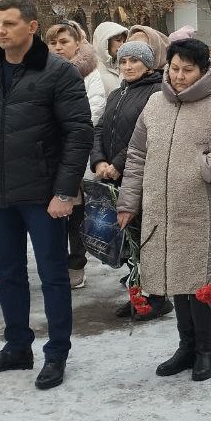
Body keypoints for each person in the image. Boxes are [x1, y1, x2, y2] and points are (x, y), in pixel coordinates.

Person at [0, 0, 93, 391]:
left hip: (43, 195)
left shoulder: (58, 71)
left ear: (31, 27)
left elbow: (79, 134)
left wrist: (65, 191)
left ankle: (57, 352)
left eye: (9, 24)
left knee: (52, 276)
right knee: (9, 274)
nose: (0, 31)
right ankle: (17, 346)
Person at [117, 39, 211, 380]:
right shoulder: (154, 103)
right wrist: (129, 202)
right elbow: (136, 155)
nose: (178, 76)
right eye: (174, 68)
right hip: (161, 211)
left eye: (187, 70)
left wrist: (207, 165)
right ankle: (185, 346)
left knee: (199, 283)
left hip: (203, 212)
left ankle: (205, 349)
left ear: (203, 70)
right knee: (175, 278)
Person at [91, 40, 168, 321]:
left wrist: (117, 165)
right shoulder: (117, 93)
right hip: (113, 176)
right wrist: (99, 161)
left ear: (148, 64)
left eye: (134, 61)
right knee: (129, 238)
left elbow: (147, 134)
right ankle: (139, 292)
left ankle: (157, 297)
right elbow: (99, 127)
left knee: (146, 237)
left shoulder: (157, 92)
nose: (128, 66)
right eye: (123, 62)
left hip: (142, 175)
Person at [46, 21, 107, 290]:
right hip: (47, 154)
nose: (58, 48)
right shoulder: (40, 71)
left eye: (64, 42)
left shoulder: (90, 73)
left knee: (76, 213)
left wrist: (65, 129)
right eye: (53, 43)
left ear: (77, 44)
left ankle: (75, 263)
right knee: (49, 213)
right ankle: (54, 262)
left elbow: (94, 108)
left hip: (76, 152)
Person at [91, 21, 128, 95]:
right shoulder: (91, 70)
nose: (122, 45)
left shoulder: (125, 67)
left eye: (124, 41)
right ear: (105, 42)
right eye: (118, 40)